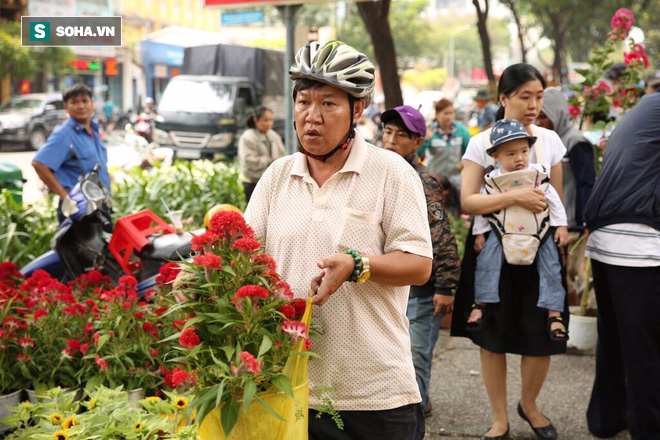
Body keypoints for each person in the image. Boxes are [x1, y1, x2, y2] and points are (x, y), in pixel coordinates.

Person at [244, 41, 433, 440]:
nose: (312, 116)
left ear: (357, 109)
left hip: (376, 393)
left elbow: (418, 265)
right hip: (289, 387)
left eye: (329, 103)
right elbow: (244, 257)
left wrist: (358, 265)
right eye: (303, 101)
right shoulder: (277, 176)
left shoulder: (391, 173)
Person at [451, 63, 568, 440]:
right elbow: (468, 201)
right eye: (525, 97)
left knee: (541, 335)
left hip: (540, 246)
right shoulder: (480, 142)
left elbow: (555, 199)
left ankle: (529, 405)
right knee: (492, 335)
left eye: (539, 96)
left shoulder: (549, 141)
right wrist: (514, 195)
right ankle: (499, 418)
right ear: (504, 99)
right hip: (493, 247)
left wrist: (560, 234)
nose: (534, 104)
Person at [583, 92, 660, 440]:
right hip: (639, 241)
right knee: (647, 346)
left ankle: (607, 418)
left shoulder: (647, 106)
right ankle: (649, 428)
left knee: (613, 337)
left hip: (604, 235)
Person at [381, 105, 461, 417]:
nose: (391, 139)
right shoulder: (375, 174)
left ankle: (416, 412)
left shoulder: (423, 181)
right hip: (385, 282)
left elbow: (440, 235)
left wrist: (446, 285)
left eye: (401, 135)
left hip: (421, 289)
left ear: (417, 143)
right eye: (388, 131)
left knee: (416, 354)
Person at [467, 119, 569, 342]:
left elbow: (554, 201)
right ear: (496, 156)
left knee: (551, 265)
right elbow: (484, 210)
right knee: (487, 261)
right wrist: (480, 233)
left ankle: (554, 313)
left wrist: (560, 226)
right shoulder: (492, 181)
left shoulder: (537, 175)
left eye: (524, 151)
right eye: (511, 154)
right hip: (501, 229)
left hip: (540, 231)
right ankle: (481, 302)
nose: (520, 158)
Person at [537, 88, 595, 304]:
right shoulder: (546, 141)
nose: (541, 121)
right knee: (561, 276)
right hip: (553, 222)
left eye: (545, 116)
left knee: (576, 274)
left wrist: (586, 221)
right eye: (539, 116)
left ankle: (583, 321)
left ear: (558, 114)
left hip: (574, 225)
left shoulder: (575, 143)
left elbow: (587, 184)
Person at [32, 83, 111, 225]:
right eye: (74, 102)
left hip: (99, 208)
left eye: (85, 101)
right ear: (66, 107)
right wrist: (66, 197)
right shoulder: (64, 134)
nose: (81, 106)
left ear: (92, 104)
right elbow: (39, 163)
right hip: (79, 211)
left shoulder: (93, 130)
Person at [418, 99, 471, 194]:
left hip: (455, 178)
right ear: (437, 114)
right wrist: (425, 139)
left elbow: (471, 151)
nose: (449, 117)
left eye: (451, 113)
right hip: (435, 179)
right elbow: (418, 154)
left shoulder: (461, 130)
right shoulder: (430, 131)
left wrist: (463, 162)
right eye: (446, 113)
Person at [237, 106, 286, 203]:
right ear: (256, 120)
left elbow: (282, 154)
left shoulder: (274, 135)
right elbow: (248, 160)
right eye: (265, 120)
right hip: (252, 181)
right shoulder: (248, 136)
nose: (269, 123)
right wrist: (269, 161)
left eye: (271, 120)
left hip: (271, 182)